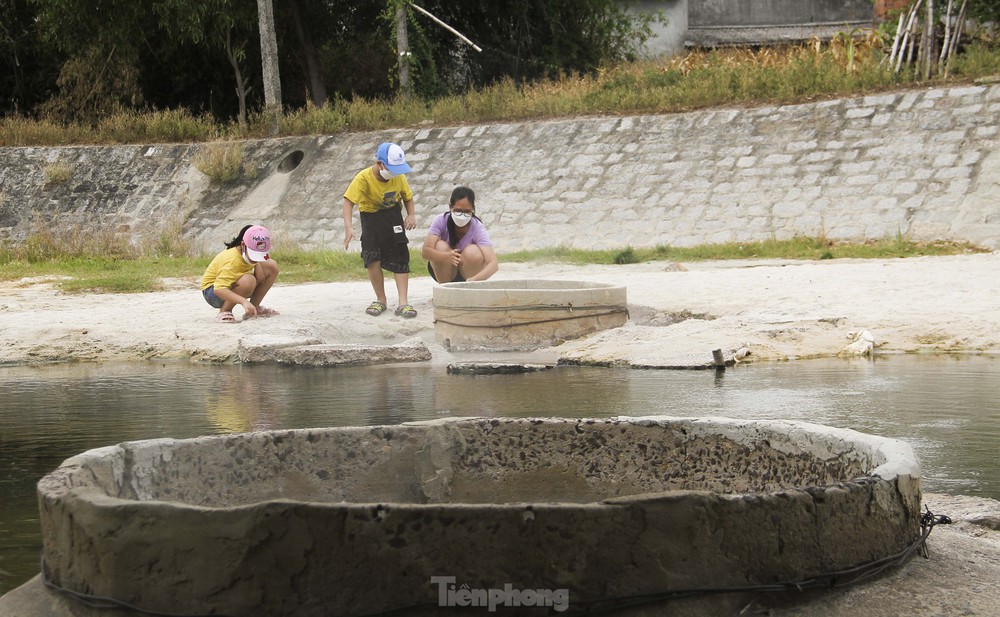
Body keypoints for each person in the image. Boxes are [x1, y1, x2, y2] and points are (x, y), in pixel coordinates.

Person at [342, 142, 418, 318]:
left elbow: (408, 197)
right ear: (379, 164)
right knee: (372, 257)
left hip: (393, 216)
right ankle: (381, 299)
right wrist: (348, 228)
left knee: (400, 256)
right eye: (391, 168)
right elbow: (348, 202)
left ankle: (403, 302)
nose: (395, 173)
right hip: (371, 218)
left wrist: (411, 214)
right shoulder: (363, 178)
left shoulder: (398, 176)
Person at [200, 224, 280, 323]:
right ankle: (225, 310)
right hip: (212, 293)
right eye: (254, 255)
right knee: (249, 280)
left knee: (271, 266)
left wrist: (257, 265)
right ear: (242, 245)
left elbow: (256, 259)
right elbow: (219, 289)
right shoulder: (232, 261)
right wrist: (244, 301)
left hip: (229, 285)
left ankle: (254, 308)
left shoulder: (247, 254)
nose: (255, 259)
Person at [422, 186, 498, 283]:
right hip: (443, 271)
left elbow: (493, 263)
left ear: (473, 209)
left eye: (467, 211)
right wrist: (447, 256)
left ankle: (469, 292)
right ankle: (445, 290)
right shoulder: (441, 220)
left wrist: (474, 280)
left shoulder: (477, 227)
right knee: (440, 246)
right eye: (458, 211)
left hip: (469, 274)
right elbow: (426, 251)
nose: (462, 215)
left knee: (473, 251)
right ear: (450, 207)